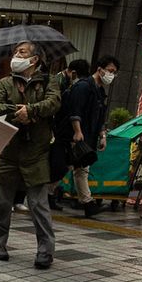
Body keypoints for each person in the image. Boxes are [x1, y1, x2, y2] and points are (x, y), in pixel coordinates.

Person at [0, 43, 62, 267]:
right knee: (2, 204)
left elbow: (54, 103)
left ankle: (45, 251)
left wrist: (32, 111)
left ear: (35, 59)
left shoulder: (49, 81)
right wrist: (17, 112)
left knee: (39, 205)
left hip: (36, 154)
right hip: (8, 150)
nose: (16, 56)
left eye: (22, 53)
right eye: (15, 53)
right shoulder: (5, 82)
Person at [61, 58, 108, 216]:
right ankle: (87, 203)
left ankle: (49, 193)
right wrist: (77, 131)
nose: (111, 74)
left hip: (89, 135)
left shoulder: (99, 91)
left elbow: (100, 116)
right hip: (79, 135)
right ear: (100, 69)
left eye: (115, 72)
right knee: (76, 167)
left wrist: (102, 134)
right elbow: (76, 111)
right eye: (110, 70)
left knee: (74, 166)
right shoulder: (83, 86)